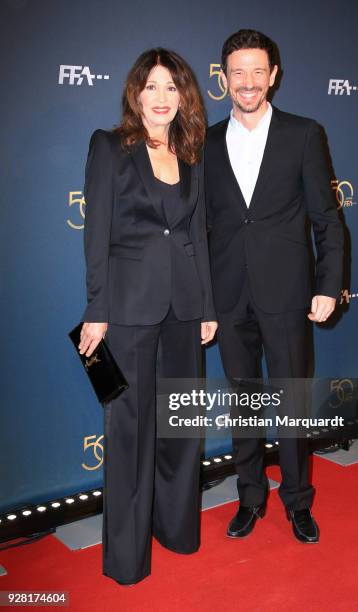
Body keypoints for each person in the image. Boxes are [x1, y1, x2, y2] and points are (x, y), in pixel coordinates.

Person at [78, 48, 217, 586]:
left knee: (180, 427)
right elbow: (97, 236)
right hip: (129, 310)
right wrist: (97, 310)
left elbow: (195, 235)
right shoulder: (110, 146)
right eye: (151, 87)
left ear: (184, 95)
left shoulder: (192, 152)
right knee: (129, 434)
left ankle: (176, 531)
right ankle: (127, 559)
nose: (161, 98)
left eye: (171, 87)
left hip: (184, 309)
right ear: (136, 93)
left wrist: (206, 305)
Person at [205, 30, 343, 543]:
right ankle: (249, 496)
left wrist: (328, 284)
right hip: (228, 296)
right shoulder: (205, 143)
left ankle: (297, 502)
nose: (247, 82)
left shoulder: (305, 133)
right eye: (237, 72)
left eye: (257, 71)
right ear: (223, 79)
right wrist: (203, 302)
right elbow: (202, 230)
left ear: (274, 76)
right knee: (243, 403)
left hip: (288, 295)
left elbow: (327, 219)